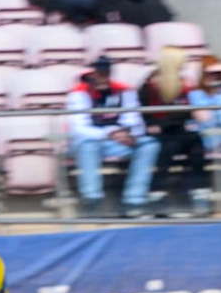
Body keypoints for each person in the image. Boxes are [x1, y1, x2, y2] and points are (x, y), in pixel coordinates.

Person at [67, 55, 158, 218]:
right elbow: (79, 128)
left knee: (149, 144)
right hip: (92, 141)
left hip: (118, 140)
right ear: (92, 73)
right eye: (99, 72)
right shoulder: (79, 93)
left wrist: (129, 134)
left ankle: (133, 202)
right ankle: (92, 201)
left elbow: (134, 119)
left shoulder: (124, 90)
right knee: (87, 145)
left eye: (106, 72)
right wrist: (109, 133)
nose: (102, 75)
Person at [138, 45, 206, 215]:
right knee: (168, 148)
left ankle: (198, 190)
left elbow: (184, 113)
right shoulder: (150, 85)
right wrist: (161, 123)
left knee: (197, 144)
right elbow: (147, 114)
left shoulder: (184, 84)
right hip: (162, 132)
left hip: (177, 129)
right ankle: (157, 195)